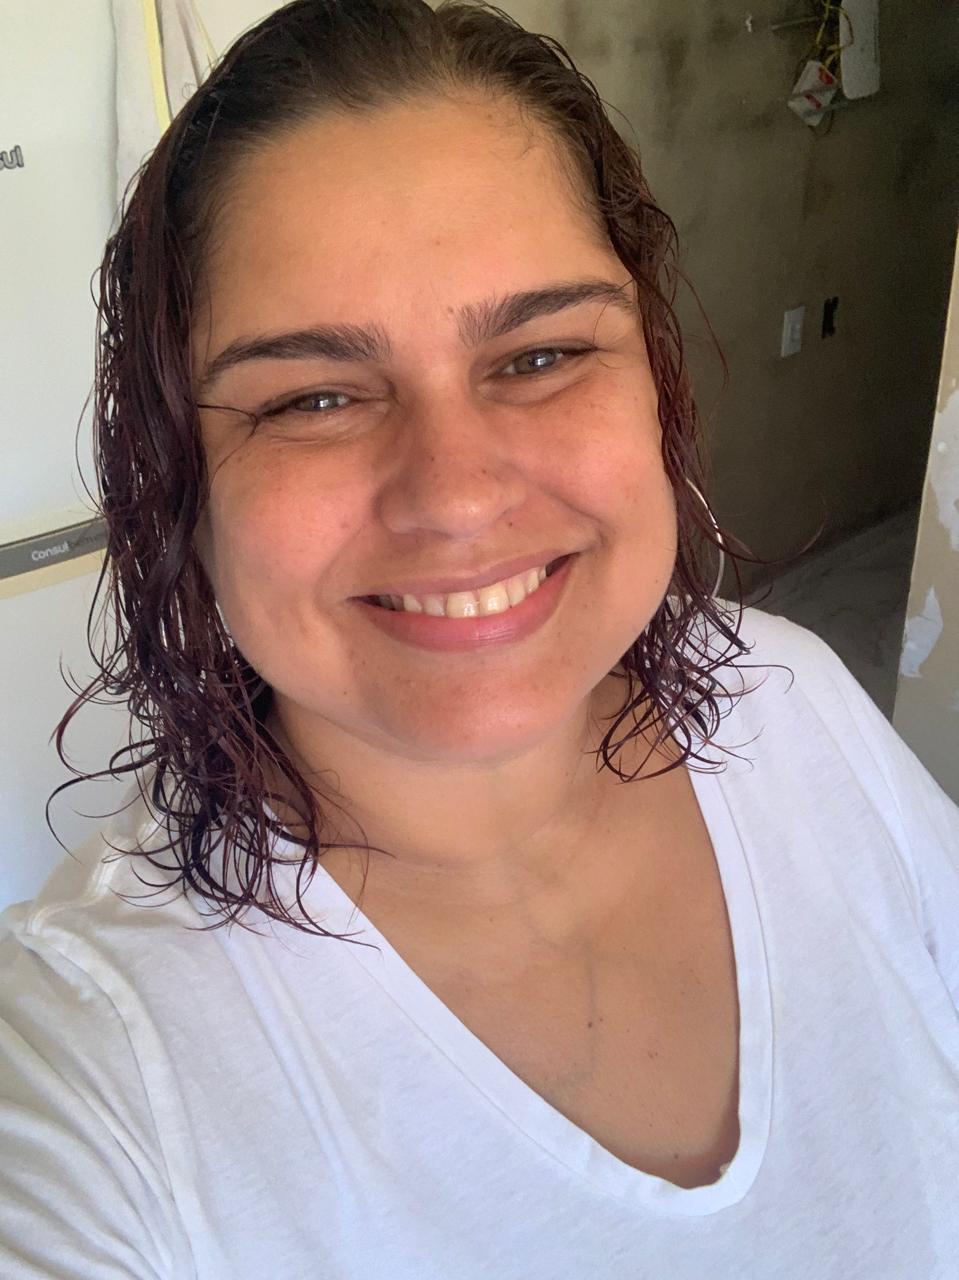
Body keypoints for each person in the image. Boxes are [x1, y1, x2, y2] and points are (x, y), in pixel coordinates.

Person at [2, 1, 958, 1276]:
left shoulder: (791, 700)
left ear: (653, 374)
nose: (454, 495)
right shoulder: (94, 1058)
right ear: (178, 474)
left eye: (539, 354)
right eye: (315, 396)